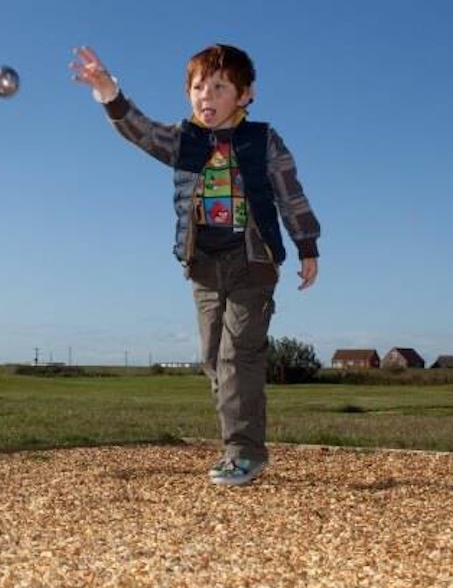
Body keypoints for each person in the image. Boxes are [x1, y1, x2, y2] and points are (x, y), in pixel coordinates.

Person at [71, 44, 321, 486]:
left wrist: (306, 244)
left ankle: (245, 452)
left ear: (245, 95)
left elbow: (289, 191)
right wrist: (110, 92)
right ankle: (235, 445)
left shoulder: (262, 140)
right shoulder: (184, 140)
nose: (206, 95)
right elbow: (141, 132)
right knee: (212, 357)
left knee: (237, 354)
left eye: (219, 86)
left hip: (253, 262)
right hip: (203, 266)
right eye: (198, 86)